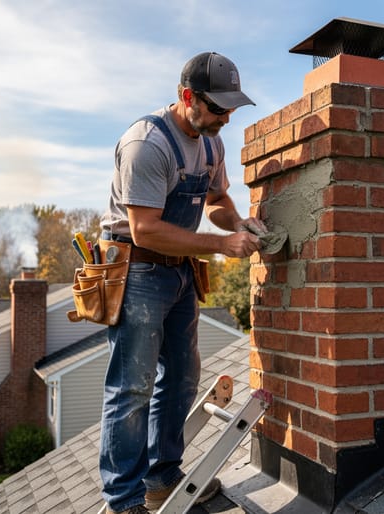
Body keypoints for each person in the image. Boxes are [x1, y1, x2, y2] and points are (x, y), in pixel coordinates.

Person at [97, 52, 266, 514]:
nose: (226, 117)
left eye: (231, 108)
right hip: (138, 271)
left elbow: (216, 199)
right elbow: (145, 229)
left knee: (183, 377)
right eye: (217, 107)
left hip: (179, 273)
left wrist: (238, 223)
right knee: (132, 387)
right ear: (186, 96)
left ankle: (161, 479)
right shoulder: (146, 145)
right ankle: (124, 499)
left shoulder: (212, 143)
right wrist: (218, 245)